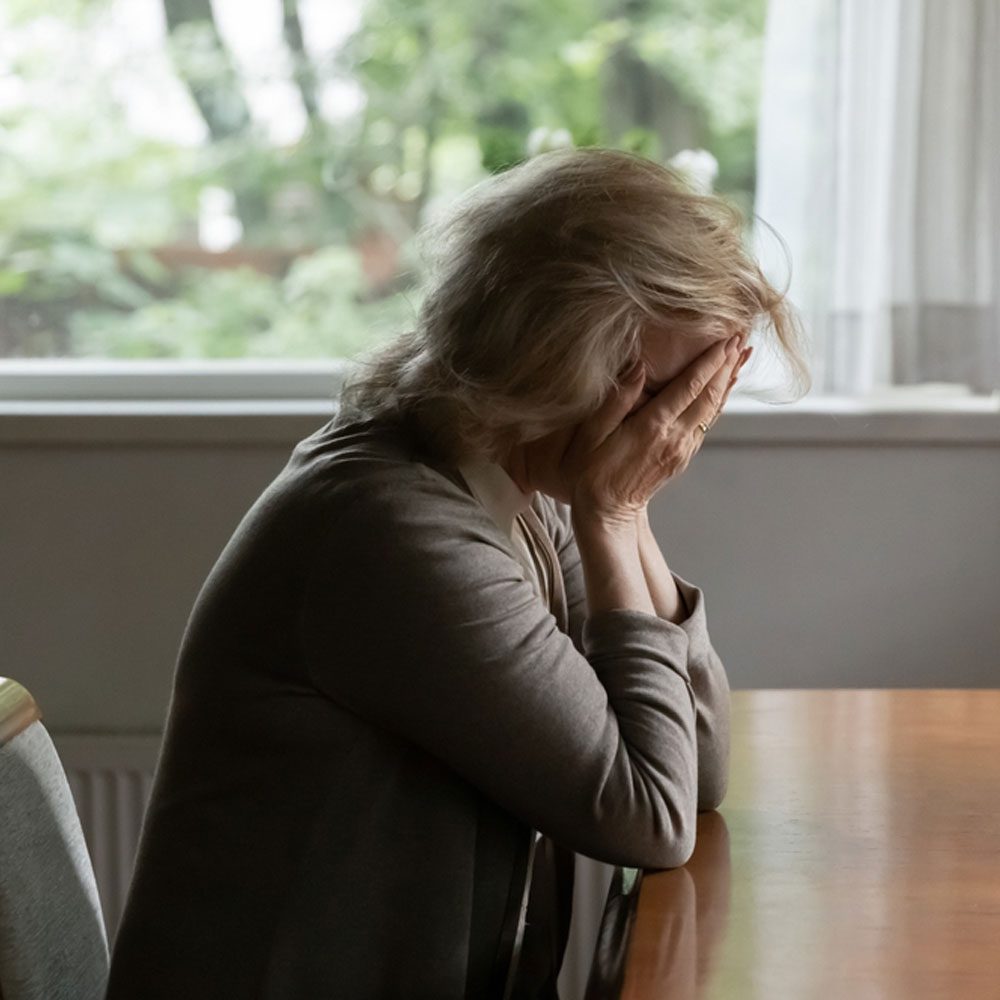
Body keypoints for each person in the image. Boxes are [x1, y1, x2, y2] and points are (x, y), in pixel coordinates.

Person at [105, 148, 808, 1000]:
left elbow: (695, 776)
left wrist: (625, 510)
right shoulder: (387, 528)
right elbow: (649, 817)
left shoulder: (517, 482)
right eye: (662, 394)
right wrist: (616, 513)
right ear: (556, 356)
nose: (673, 431)